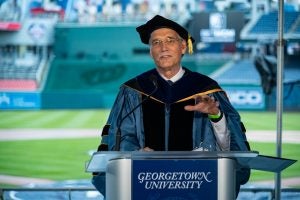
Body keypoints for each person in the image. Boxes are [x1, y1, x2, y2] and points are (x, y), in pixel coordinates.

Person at [92, 15, 251, 198]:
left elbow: (228, 146)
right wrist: (135, 154)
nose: (163, 47)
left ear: (183, 46)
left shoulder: (206, 89)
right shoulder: (133, 90)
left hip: (196, 186)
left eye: (170, 41)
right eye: (156, 42)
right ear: (151, 51)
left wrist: (216, 115)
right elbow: (117, 138)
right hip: (145, 186)